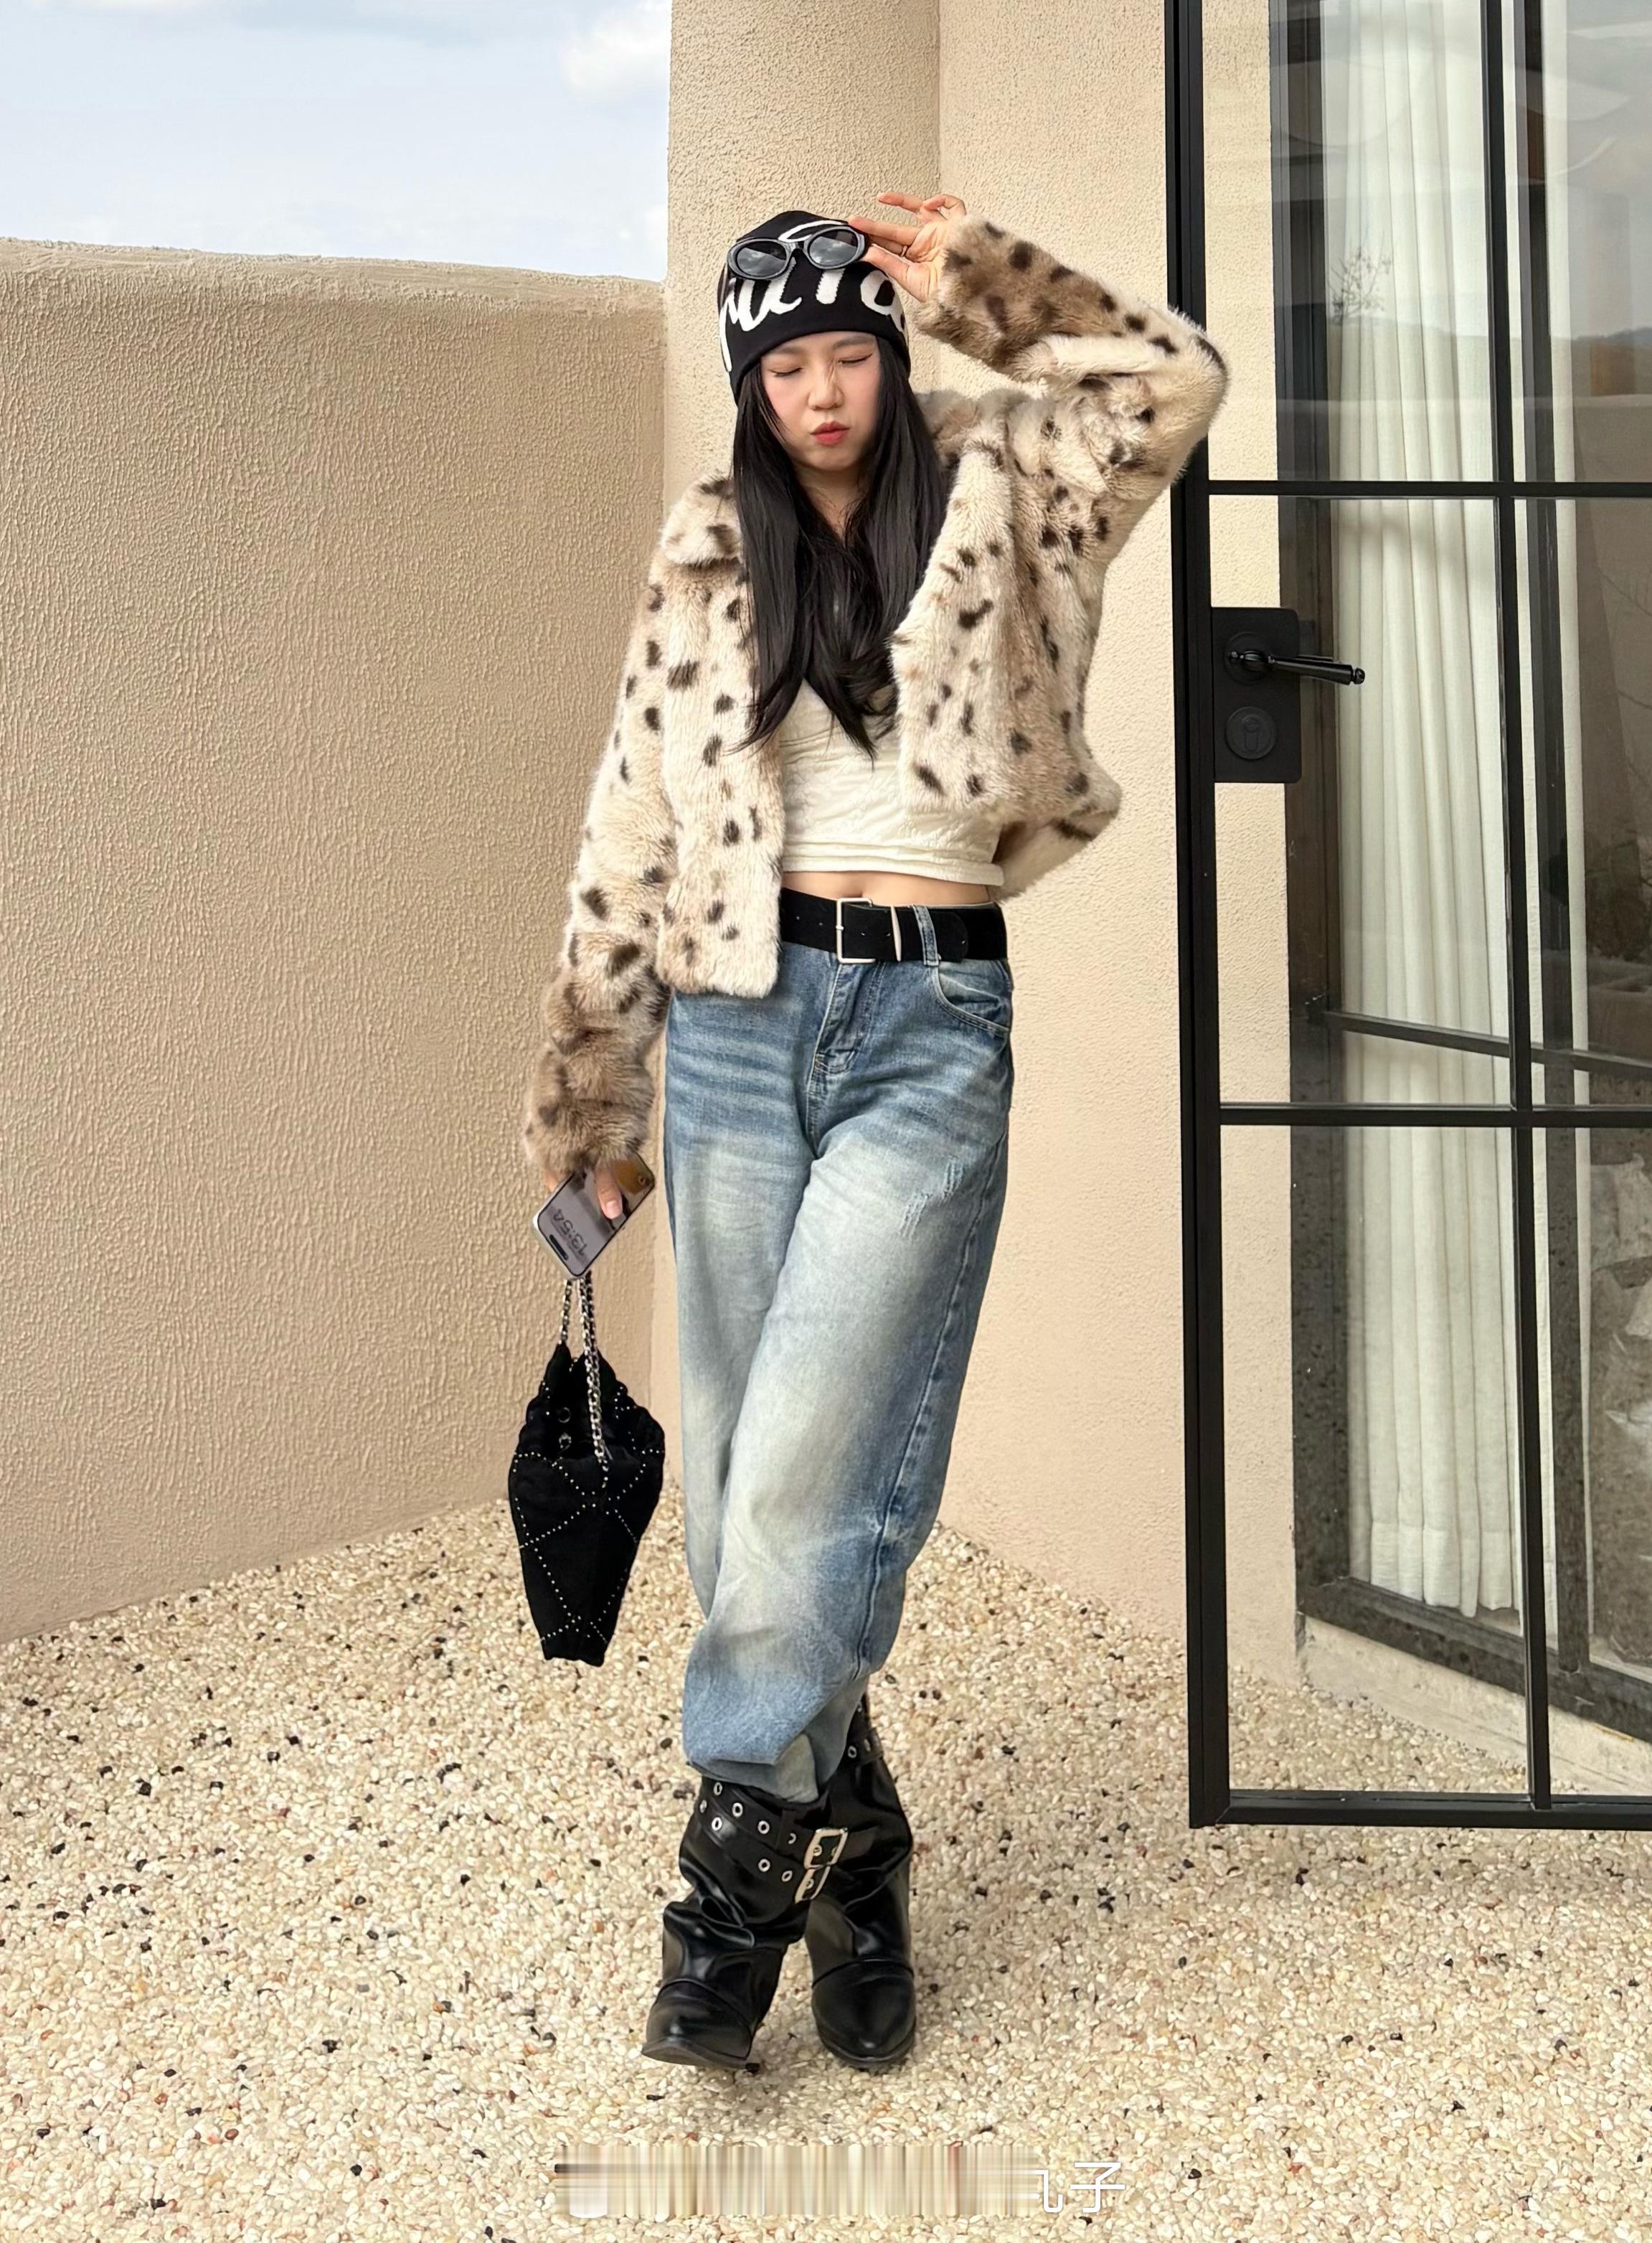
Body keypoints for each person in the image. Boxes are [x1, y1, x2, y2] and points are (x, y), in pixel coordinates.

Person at [521, 188, 1225, 2073]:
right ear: (750, 388)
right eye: (788, 367)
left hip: (927, 1028)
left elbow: (1170, 384)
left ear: (890, 361)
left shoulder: (1010, 481)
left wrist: (985, 280)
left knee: (814, 1470)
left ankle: (726, 1892)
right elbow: (633, 822)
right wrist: (595, 1097)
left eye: (850, 354)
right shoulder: (708, 547)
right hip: (737, 1034)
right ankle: (858, 1844)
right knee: (744, 1489)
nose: (825, 392)